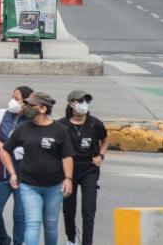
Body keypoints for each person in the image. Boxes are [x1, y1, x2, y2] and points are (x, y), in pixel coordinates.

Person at [0, 92, 76, 245]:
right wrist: (12, 173)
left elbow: (67, 156)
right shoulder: (23, 129)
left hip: (54, 186)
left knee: (51, 226)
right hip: (29, 186)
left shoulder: (60, 130)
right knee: (33, 224)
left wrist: (68, 178)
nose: (26, 108)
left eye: (30, 105)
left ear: (42, 108)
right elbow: (5, 150)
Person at [59, 90, 108, 245]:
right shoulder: (61, 125)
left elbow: (105, 141)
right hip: (69, 171)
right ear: (71, 103)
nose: (84, 104)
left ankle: (87, 242)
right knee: (69, 209)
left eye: (86, 101)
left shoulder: (95, 123)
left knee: (88, 210)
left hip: (90, 170)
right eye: (80, 101)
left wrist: (100, 156)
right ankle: (71, 239)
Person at [0, 86, 32, 245]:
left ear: (26, 103)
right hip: (1, 175)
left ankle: (18, 243)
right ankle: (3, 239)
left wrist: (2, 146)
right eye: (12, 97)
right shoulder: (2, 115)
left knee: (20, 215)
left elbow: (24, 150)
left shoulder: (32, 123)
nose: (13, 101)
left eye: (18, 98)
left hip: (23, 177)